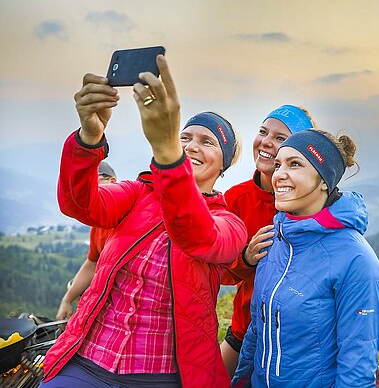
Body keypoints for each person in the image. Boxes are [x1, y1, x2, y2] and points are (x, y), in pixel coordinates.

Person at [41, 55, 247, 388]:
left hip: (160, 376)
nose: (191, 146)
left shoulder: (228, 224)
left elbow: (196, 234)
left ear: (223, 165)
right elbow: (80, 204)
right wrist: (89, 137)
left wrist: (168, 152)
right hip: (87, 360)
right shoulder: (138, 194)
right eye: (184, 137)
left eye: (207, 142)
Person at [232, 129, 379, 387]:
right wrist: (240, 380)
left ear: (324, 180)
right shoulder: (275, 239)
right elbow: (256, 331)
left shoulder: (356, 260)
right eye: (278, 164)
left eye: (295, 164)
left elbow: (357, 365)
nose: (279, 174)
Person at [220, 105, 315, 377]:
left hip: (295, 342)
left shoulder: (311, 204)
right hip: (244, 329)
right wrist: (246, 259)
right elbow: (217, 271)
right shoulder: (236, 199)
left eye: (280, 138)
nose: (267, 142)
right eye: (263, 132)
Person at [56, 161, 117, 322]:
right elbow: (92, 264)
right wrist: (67, 299)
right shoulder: (98, 225)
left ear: (112, 182)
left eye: (92, 182)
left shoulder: (126, 218)